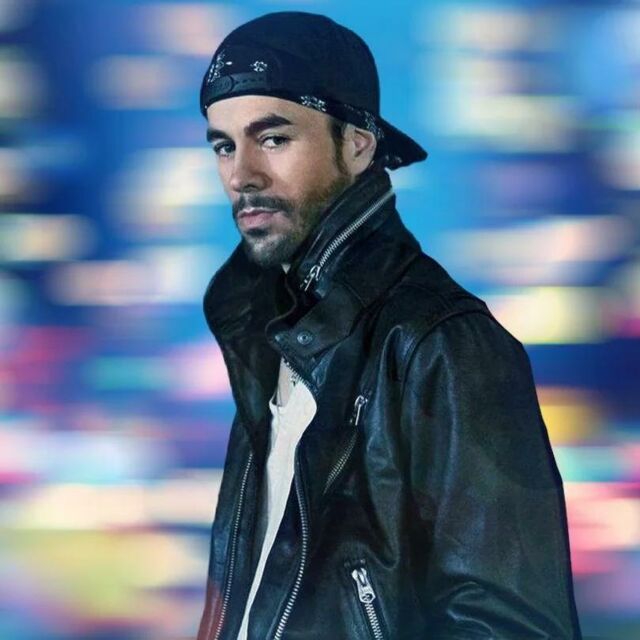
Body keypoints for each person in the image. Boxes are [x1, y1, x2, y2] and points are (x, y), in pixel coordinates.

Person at [196, 11, 582, 640]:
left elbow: (512, 625)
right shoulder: (269, 336)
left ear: (358, 144)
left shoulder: (442, 342)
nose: (242, 174)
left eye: (274, 139)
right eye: (224, 145)